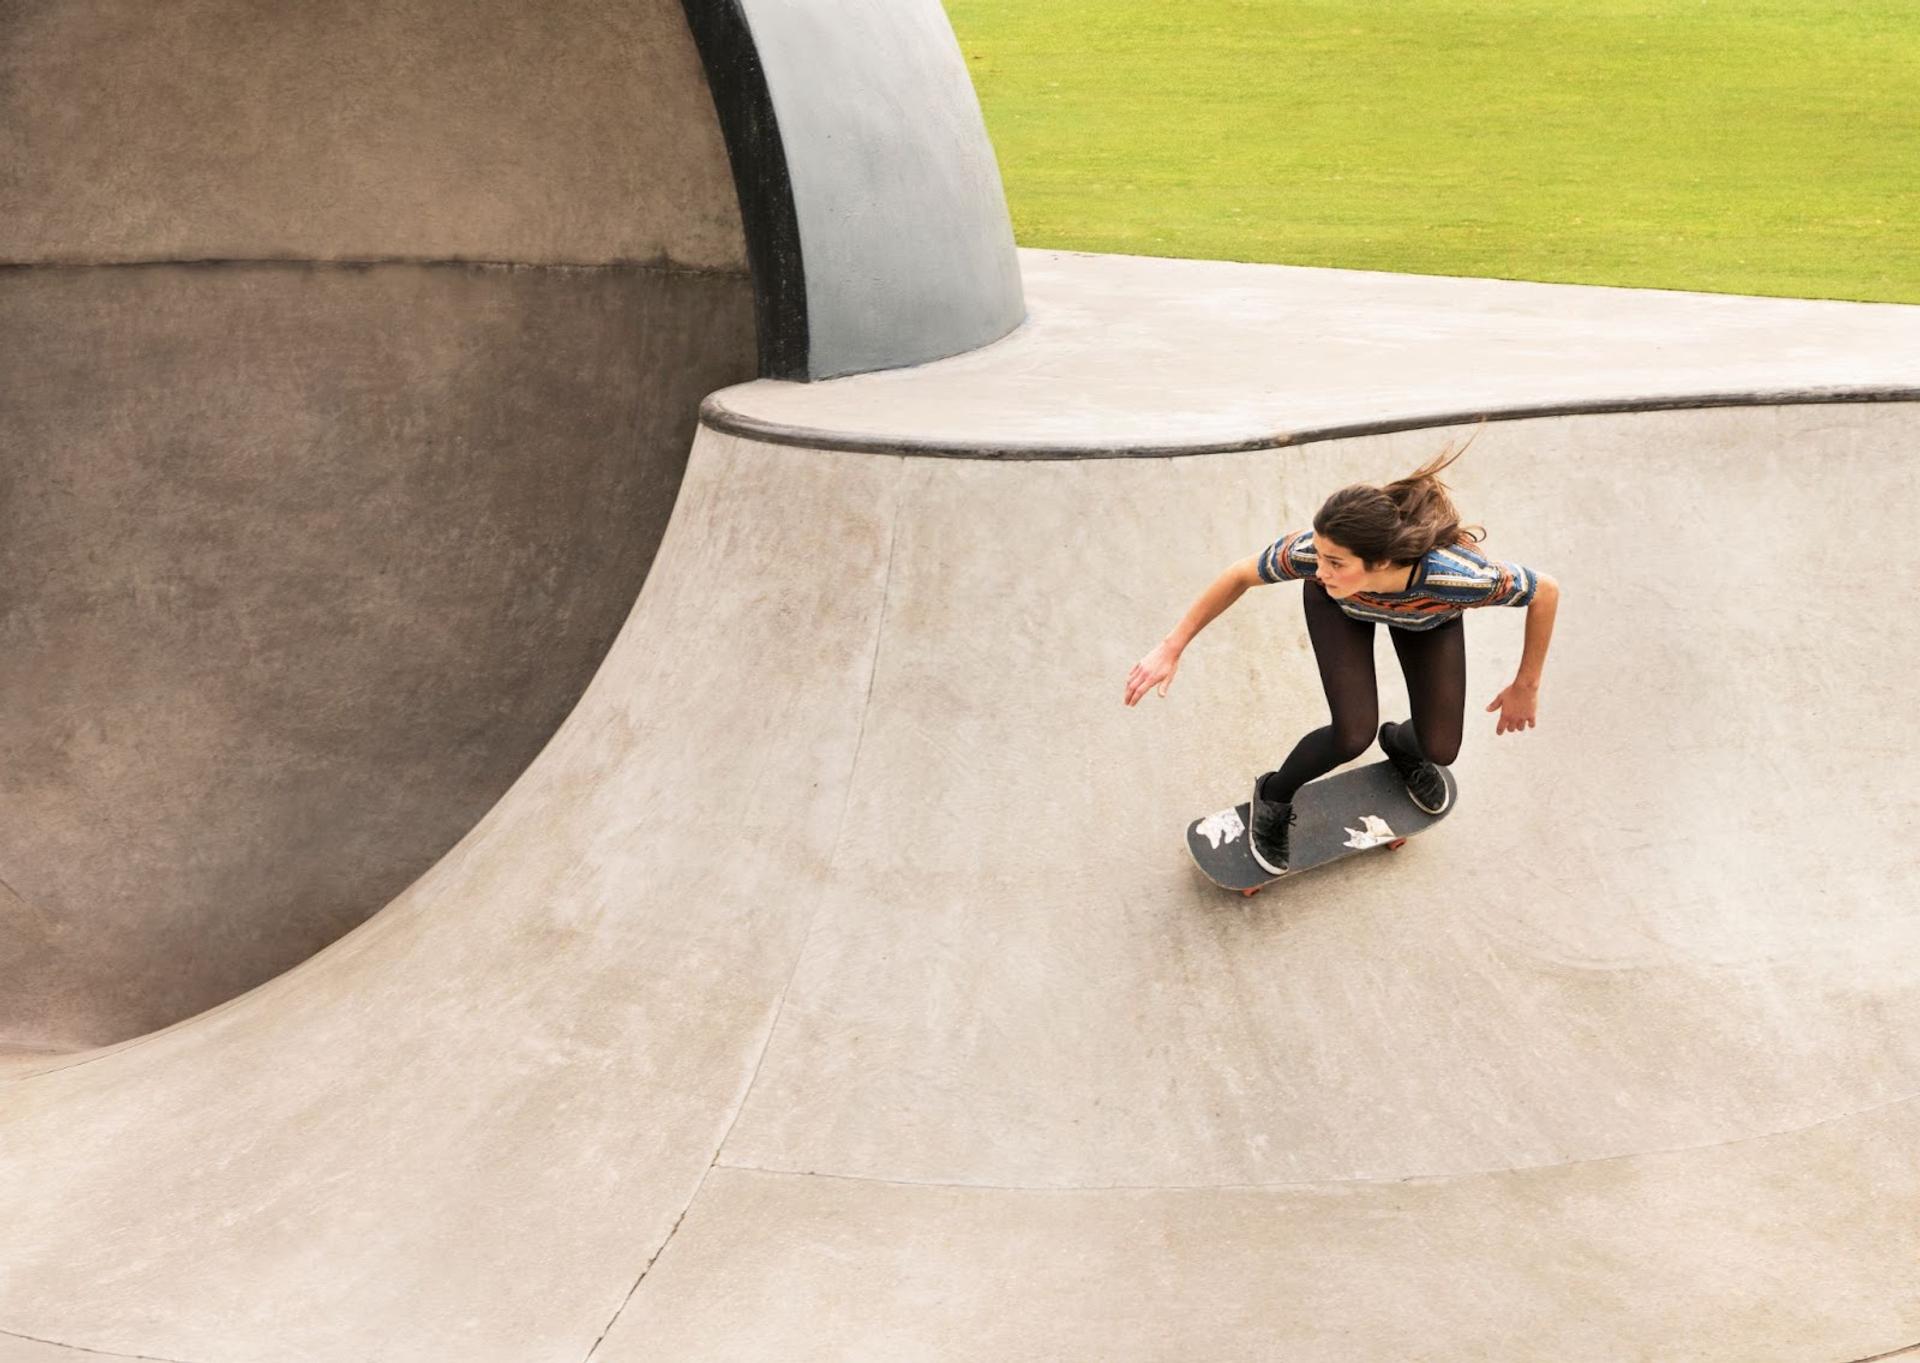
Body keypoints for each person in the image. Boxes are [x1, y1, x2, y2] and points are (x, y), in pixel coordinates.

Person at [1124, 434, 1560, 874]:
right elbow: (1240, 575)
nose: (1319, 568)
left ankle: (1399, 743)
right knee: (1352, 735)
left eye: (1335, 562)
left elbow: (1545, 591)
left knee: (1441, 749)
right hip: (1341, 609)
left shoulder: (1459, 577)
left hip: (1428, 618)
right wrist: (1172, 646)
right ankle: (1273, 795)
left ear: (1382, 561)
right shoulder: (1312, 559)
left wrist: (1526, 685)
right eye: (1320, 554)